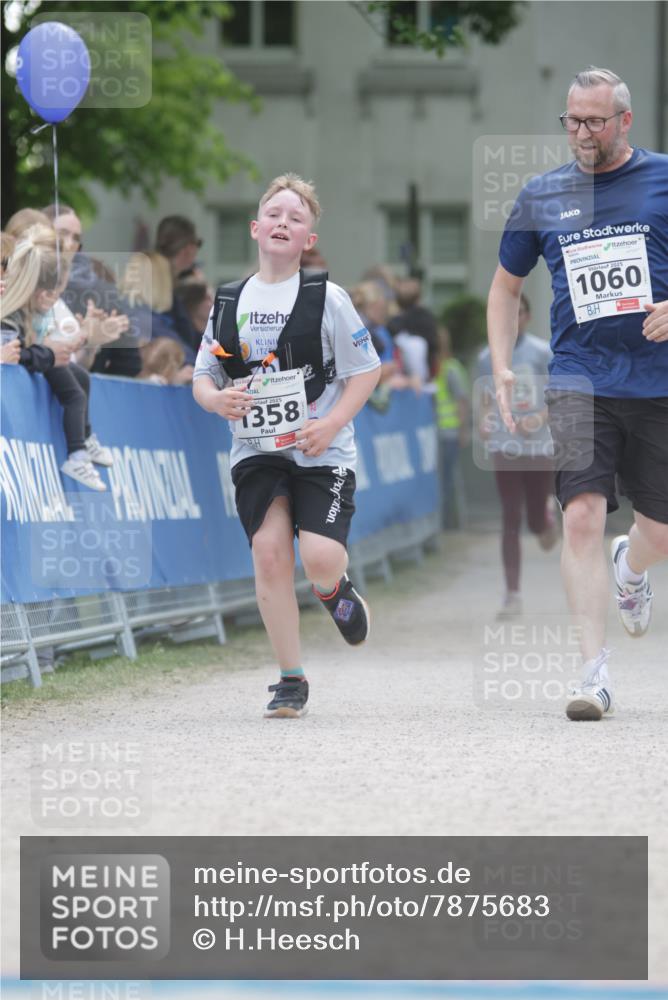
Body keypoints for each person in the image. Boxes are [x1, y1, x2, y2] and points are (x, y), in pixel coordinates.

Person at [487, 67, 668, 721]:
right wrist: (504, 367)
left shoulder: (662, 180)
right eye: (572, 120)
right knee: (582, 515)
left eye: (594, 120)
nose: (582, 133)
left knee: (660, 531)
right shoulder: (543, 195)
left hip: (658, 381)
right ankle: (594, 675)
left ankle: (633, 566)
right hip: (578, 377)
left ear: (624, 120)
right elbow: (505, 288)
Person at [193, 173, 381, 718]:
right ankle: (290, 678)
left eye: (296, 218)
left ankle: (333, 591)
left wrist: (332, 423)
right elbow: (203, 374)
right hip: (257, 449)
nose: (283, 222)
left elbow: (365, 371)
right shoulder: (229, 300)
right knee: (270, 554)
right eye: (274, 214)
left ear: (308, 240)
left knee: (320, 559)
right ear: (255, 228)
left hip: (321, 448)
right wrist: (216, 401)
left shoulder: (328, 298)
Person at [0, 225, 113, 490]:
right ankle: (78, 452)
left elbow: (38, 351)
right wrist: (48, 353)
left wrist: (75, 341)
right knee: (73, 392)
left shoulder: (27, 314)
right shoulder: (12, 318)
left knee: (79, 378)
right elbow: (20, 355)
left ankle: (84, 439)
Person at [477, 295, 557, 615]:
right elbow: (484, 396)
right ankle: (512, 594)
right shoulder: (488, 356)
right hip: (505, 444)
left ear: (527, 316)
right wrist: (484, 419)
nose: (514, 319)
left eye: (520, 313)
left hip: (538, 445)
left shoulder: (542, 351)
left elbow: (558, 392)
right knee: (511, 515)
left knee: (536, 521)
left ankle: (546, 517)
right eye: (508, 313)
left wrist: (539, 418)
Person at [435, 325, 470, 531]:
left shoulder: (450, 368)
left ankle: (446, 522)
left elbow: (461, 401)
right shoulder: (434, 368)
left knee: (446, 480)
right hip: (436, 433)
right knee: (443, 479)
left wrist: (463, 429)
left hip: (448, 433)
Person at [387, 277, 439, 382]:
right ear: (418, 298)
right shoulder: (427, 317)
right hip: (423, 378)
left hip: (399, 378)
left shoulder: (393, 322)